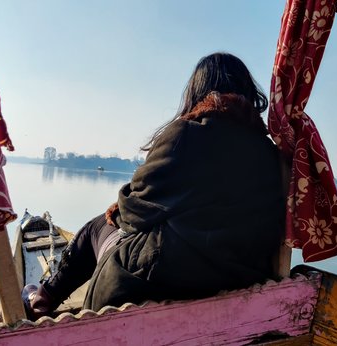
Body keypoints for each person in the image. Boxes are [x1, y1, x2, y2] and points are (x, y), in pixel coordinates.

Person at [23, 52, 285, 318]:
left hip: (164, 278)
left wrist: (126, 204)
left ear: (197, 92)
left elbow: (132, 210)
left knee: (97, 227)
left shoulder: (186, 134)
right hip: (240, 277)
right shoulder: (272, 153)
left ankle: (42, 299)